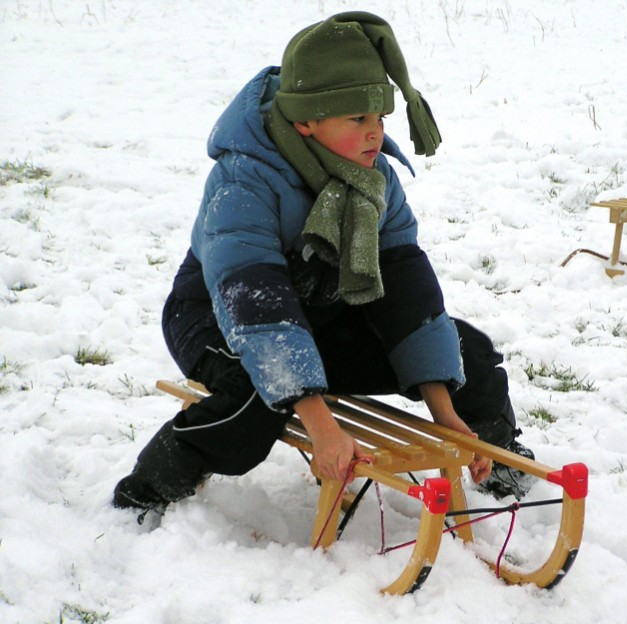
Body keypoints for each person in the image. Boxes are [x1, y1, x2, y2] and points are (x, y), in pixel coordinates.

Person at [113, 11, 535, 522]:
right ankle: (146, 489)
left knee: (467, 354)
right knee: (254, 400)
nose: (375, 134)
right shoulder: (244, 181)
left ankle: (499, 462)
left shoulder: (375, 179)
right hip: (216, 317)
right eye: (357, 119)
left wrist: (444, 410)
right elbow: (256, 305)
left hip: (320, 319)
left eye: (379, 118)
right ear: (306, 121)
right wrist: (320, 425)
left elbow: (407, 294)